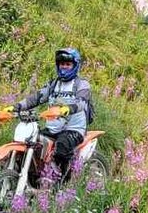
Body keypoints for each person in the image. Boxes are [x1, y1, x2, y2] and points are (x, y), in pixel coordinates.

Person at [7, 48, 94, 182]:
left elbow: (82, 102)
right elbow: (36, 98)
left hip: (74, 129)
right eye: (62, 64)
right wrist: (15, 107)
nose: (64, 67)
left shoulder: (82, 84)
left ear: (75, 65)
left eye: (68, 64)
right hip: (53, 128)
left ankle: (64, 182)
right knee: (31, 142)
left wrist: (68, 108)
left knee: (62, 146)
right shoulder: (53, 84)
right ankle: (31, 176)